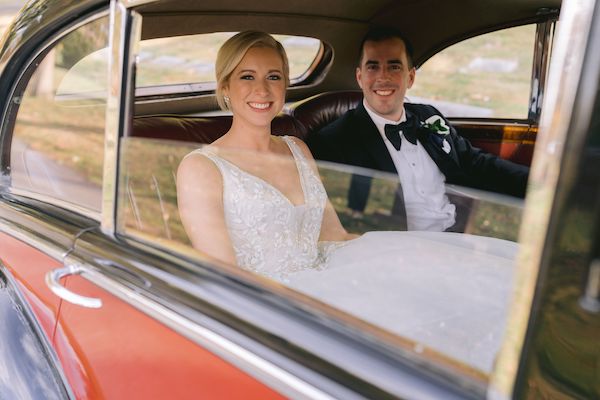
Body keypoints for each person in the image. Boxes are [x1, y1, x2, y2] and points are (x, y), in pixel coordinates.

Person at [307, 26, 529, 232]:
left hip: (461, 231)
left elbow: (474, 161)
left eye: (394, 66)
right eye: (373, 66)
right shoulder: (334, 142)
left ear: (410, 77)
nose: (383, 77)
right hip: (400, 251)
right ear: (360, 77)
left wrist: (538, 187)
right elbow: (342, 220)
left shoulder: (428, 116)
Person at [177, 31, 356, 280]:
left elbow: (334, 236)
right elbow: (225, 276)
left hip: (329, 283)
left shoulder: (298, 149)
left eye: (273, 77)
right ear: (225, 85)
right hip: (263, 304)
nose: (262, 90)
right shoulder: (201, 168)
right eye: (247, 77)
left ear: (285, 85)